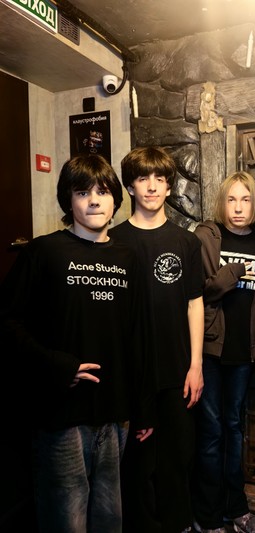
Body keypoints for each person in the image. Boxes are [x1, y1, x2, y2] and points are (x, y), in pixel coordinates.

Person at [0, 154, 154, 533]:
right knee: (67, 519)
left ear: (116, 199)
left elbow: (139, 334)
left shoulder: (129, 258)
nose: (94, 201)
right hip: (62, 414)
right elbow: (7, 321)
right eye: (83, 192)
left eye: (102, 192)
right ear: (68, 201)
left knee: (109, 518)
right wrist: (56, 365)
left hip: (115, 413)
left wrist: (143, 406)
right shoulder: (43, 252)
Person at [109, 146, 204, 533]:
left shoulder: (186, 242)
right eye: (142, 178)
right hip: (132, 375)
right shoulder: (113, 241)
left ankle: (180, 523)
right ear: (130, 186)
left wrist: (196, 365)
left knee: (178, 457)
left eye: (160, 179)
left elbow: (195, 303)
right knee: (136, 464)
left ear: (169, 187)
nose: (151, 186)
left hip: (177, 370)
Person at [191, 171, 255, 533]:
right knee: (210, 432)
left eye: (245, 199)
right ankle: (208, 516)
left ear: (254, 204)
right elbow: (196, 291)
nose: (238, 207)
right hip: (210, 349)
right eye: (231, 199)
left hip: (244, 351)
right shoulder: (206, 237)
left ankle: (235, 508)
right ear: (222, 203)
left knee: (235, 428)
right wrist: (230, 275)